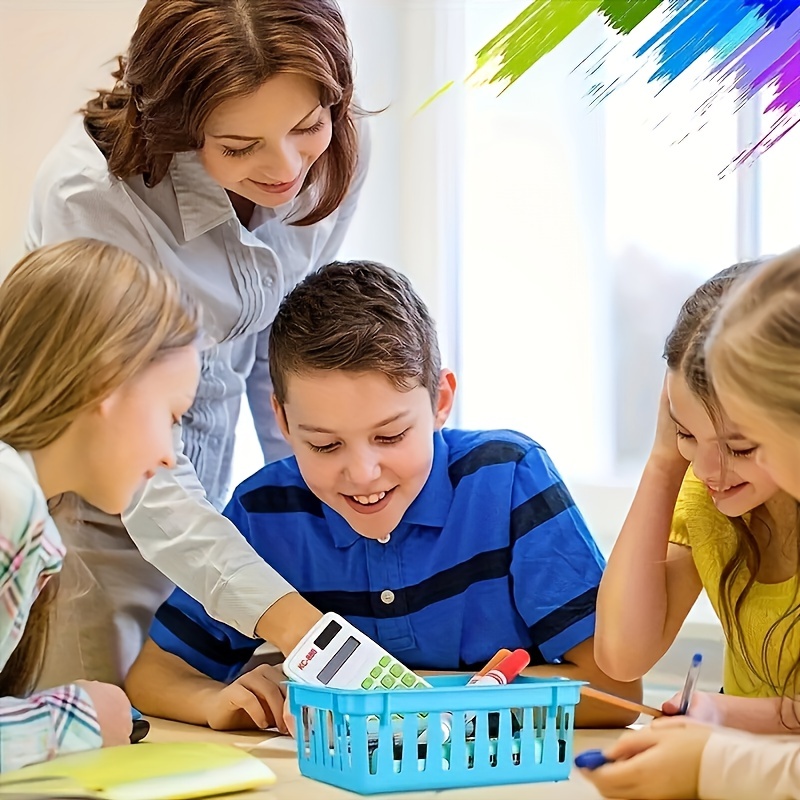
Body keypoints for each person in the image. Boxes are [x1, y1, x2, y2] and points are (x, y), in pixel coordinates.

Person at [125, 259, 641, 732]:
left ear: (440, 401)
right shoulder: (265, 512)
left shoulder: (508, 479)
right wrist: (215, 702)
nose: (363, 474)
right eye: (325, 444)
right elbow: (153, 677)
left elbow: (617, 690)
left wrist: (429, 700)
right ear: (281, 420)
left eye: (390, 436)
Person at [26, 0, 370, 686]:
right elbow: (137, 453)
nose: (285, 170)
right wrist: (287, 618)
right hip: (94, 508)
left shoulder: (330, 149)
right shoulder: (92, 199)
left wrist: (319, 504)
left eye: (307, 126)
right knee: (84, 736)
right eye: (239, 147)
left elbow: (285, 349)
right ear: (177, 127)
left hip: (206, 506)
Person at [583, 249, 800, 800]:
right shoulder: (711, 494)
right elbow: (622, 654)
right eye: (686, 434)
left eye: (742, 446)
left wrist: (719, 738)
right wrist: (662, 460)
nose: (708, 471)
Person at [0, 238, 200, 770]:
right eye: (172, 416)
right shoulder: (8, 495)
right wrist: (76, 719)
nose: (168, 456)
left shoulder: (29, 511)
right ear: (106, 379)